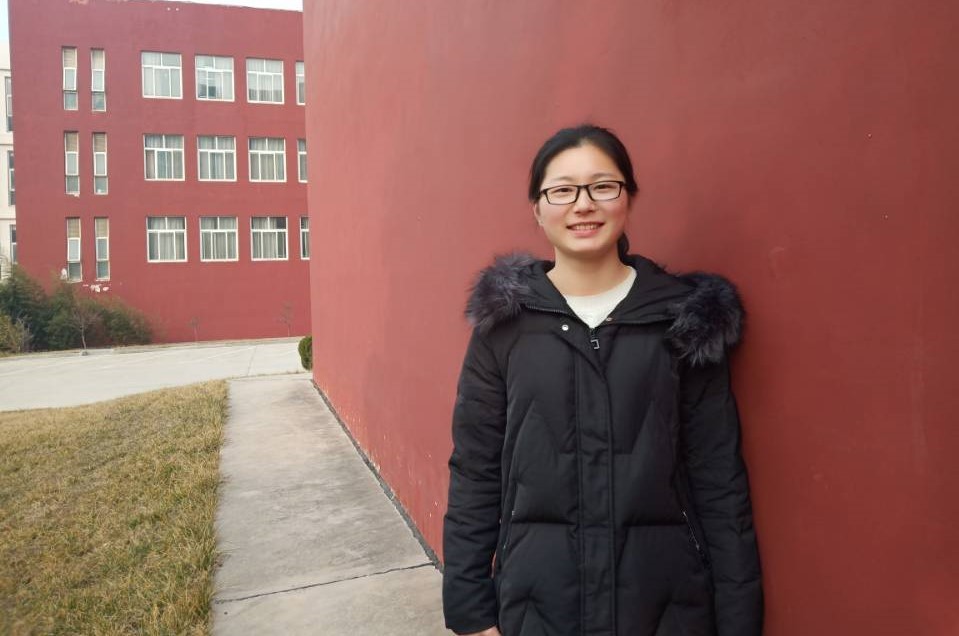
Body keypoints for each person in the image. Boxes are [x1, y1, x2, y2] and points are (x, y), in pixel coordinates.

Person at [442, 124, 763, 636]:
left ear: (627, 197)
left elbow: (719, 478)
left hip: (666, 605)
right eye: (562, 190)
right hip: (536, 604)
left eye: (602, 186)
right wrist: (469, 612)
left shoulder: (684, 321)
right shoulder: (504, 328)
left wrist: (739, 620)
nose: (583, 205)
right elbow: (474, 470)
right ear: (538, 208)